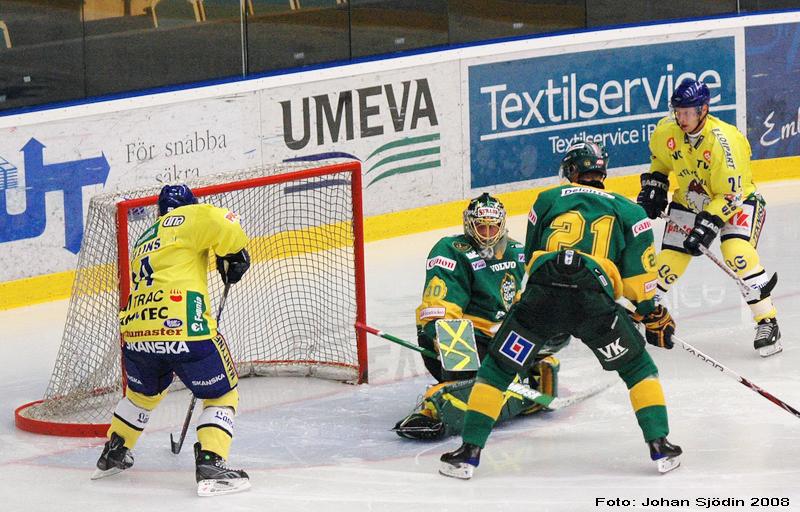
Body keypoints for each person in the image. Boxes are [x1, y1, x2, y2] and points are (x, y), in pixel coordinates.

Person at [439, 140, 681, 479]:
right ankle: (660, 446)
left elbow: (532, 258)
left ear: (571, 171)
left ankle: (467, 454)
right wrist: (649, 313)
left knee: (497, 369)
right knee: (639, 367)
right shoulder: (632, 213)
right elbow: (639, 283)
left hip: (542, 299)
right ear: (602, 172)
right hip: (592, 302)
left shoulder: (547, 199)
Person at [92, 184, 252, 496]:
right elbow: (224, 222)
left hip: (137, 331)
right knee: (222, 394)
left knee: (142, 395)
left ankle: (114, 450)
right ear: (189, 205)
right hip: (183, 326)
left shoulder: (146, 236)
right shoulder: (190, 216)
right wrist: (235, 252)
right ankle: (211, 462)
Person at [394, 193, 565, 440]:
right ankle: (437, 407)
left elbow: (522, 300)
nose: (487, 233)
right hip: (462, 335)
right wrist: (449, 348)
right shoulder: (451, 250)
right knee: (453, 334)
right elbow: (440, 310)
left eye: (492, 226)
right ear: (469, 224)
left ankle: (501, 385)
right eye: (481, 226)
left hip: (499, 338)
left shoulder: (517, 252)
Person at [638, 78, 780, 357]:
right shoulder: (667, 131)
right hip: (692, 200)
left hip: (738, 200)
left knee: (736, 253)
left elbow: (730, 195)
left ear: (704, 110)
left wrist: (707, 226)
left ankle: (767, 320)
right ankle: (643, 308)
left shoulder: (725, 143)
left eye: (688, 113)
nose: (681, 119)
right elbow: (661, 161)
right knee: (670, 258)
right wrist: (656, 185)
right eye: (678, 112)